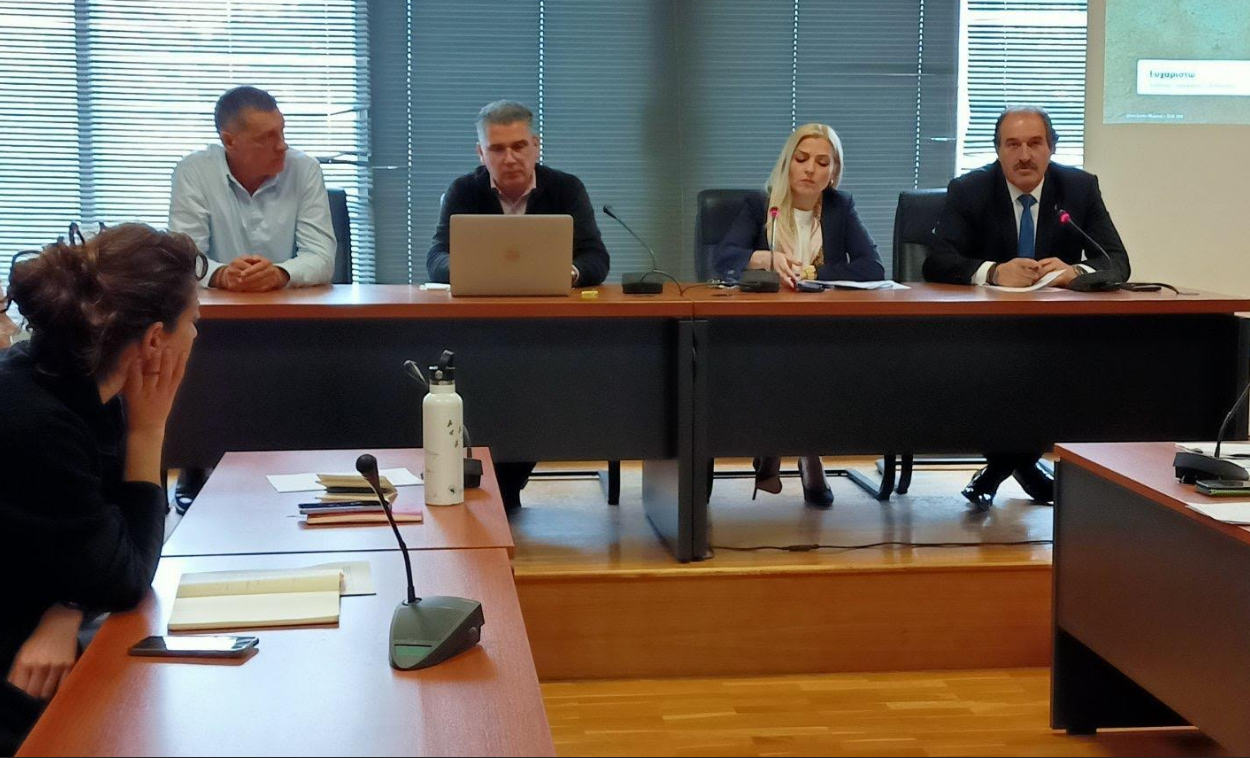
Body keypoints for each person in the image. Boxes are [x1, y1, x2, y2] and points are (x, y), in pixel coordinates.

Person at [0, 225, 202, 755]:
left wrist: (68, 605)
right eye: (194, 320)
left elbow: (100, 542)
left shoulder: (77, 381)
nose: (195, 335)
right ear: (154, 340)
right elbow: (125, 577)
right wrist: (149, 432)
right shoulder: (35, 421)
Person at [923, 106, 1131, 511]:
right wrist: (994, 271)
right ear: (997, 150)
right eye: (1012, 145)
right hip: (984, 332)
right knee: (1008, 375)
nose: (1024, 156)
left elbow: (1116, 261)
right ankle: (1026, 468)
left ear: (1052, 148)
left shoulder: (1079, 189)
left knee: (1068, 372)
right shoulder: (969, 190)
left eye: (1035, 144)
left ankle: (997, 471)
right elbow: (937, 261)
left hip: (1058, 332)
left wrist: (1075, 272)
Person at [427, 100, 611, 513]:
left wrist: (568, 273)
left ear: (536, 146)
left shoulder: (566, 188)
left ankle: (507, 487)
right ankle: (497, 488)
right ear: (481, 153)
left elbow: (596, 258)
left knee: (540, 387)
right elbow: (436, 256)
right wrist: (467, 269)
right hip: (480, 328)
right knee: (488, 386)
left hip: (549, 328)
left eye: (519, 146)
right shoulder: (464, 191)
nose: (509, 158)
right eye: (497, 149)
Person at [168, 85, 336, 508]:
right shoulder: (194, 171)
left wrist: (280, 272)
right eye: (267, 137)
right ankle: (196, 458)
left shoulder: (304, 169)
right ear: (229, 141)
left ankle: (301, 457)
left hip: (292, 318)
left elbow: (321, 256)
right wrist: (221, 273)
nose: (282, 145)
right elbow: (183, 255)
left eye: (283, 131)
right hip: (214, 320)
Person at [713, 123, 885, 506]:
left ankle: (775, 449)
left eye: (822, 162)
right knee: (793, 358)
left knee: (808, 356)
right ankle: (809, 454)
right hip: (761, 328)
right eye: (802, 159)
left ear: (833, 172)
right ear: (787, 163)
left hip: (822, 327)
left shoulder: (841, 207)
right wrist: (763, 258)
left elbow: (872, 267)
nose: (810, 169)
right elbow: (723, 258)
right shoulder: (761, 206)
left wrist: (812, 272)